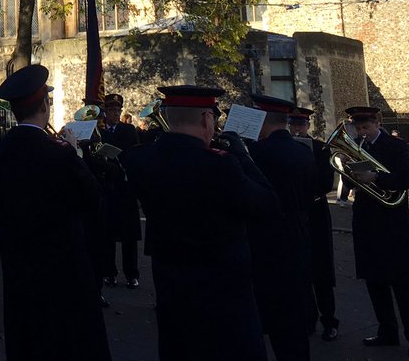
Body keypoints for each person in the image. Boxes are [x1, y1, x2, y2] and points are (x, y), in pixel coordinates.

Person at [123, 85, 278, 361]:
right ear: (207, 119)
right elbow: (267, 204)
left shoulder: (139, 159)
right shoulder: (222, 165)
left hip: (171, 289)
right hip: (222, 294)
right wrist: (242, 155)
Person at [0, 64, 110, 360]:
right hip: (62, 267)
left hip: (17, 265)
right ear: (45, 105)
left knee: (26, 337)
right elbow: (91, 199)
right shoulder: (59, 153)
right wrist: (75, 153)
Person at [344, 106, 409, 357]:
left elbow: (405, 179)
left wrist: (376, 177)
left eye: (366, 127)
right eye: (358, 128)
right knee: (374, 280)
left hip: (391, 221)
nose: (362, 132)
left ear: (377, 123)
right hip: (366, 220)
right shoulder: (357, 147)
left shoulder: (395, 146)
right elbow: (348, 182)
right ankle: (386, 331)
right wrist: (348, 170)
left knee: (402, 283)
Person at [246, 94, 315, 361]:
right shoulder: (303, 152)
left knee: (267, 316)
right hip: (298, 237)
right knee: (294, 320)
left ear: (261, 119)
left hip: (264, 241)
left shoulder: (255, 153)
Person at [287, 106, 339, 342]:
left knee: (322, 270)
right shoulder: (285, 148)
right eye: (293, 124)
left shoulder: (319, 149)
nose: (297, 129)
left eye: (300, 125)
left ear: (308, 126)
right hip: (296, 212)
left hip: (316, 212)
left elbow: (327, 182)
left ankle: (329, 320)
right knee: (299, 270)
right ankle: (307, 319)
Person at [97, 92, 141, 289]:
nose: (114, 113)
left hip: (124, 185)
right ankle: (109, 272)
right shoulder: (100, 131)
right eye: (111, 109)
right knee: (107, 235)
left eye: (117, 109)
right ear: (105, 112)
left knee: (129, 236)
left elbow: (133, 152)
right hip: (108, 186)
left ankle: (131, 274)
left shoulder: (128, 129)